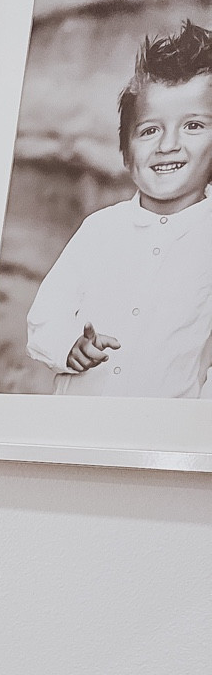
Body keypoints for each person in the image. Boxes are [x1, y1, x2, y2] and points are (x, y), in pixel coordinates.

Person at [26, 19, 212, 398]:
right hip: (77, 428)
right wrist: (69, 345)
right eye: (149, 130)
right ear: (126, 153)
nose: (167, 145)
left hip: (165, 437)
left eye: (193, 125)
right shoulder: (99, 230)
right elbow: (46, 315)